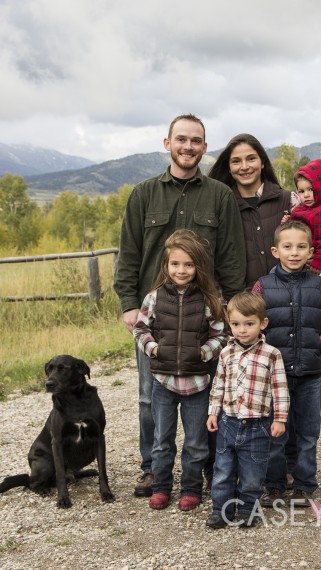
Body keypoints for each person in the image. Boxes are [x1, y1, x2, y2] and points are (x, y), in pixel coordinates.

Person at [114, 114, 246, 497]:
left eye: (196, 141)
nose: (188, 146)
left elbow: (231, 257)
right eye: (181, 139)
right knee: (148, 396)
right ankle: (151, 471)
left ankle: (201, 468)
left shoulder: (220, 196)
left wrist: (231, 312)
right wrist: (128, 305)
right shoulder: (143, 194)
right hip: (155, 318)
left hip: (205, 319)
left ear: (205, 148)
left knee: (205, 395)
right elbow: (129, 255)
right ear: (167, 143)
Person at [133, 230, 228, 511]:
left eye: (188, 264)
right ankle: (161, 486)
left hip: (198, 383)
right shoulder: (154, 298)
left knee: (196, 442)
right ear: (166, 266)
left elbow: (221, 335)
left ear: (197, 267)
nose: (181, 270)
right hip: (162, 381)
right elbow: (140, 328)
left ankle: (190, 487)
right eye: (175, 264)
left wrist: (204, 352)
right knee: (162, 440)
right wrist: (153, 349)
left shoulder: (209, 299)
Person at [252, 220, 321, 507]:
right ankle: (275, 484)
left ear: (311, 251)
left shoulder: (320, 286)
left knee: (307, 432)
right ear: (275, 251)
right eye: (288, 247)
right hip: (274, 378)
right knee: (276, 432)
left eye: (301, 247)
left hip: (309, 375)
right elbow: (253, 325)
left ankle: (304, 485)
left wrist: (319, 344)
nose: (294, 252)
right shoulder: (263, 286)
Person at [205, 291, 289, 529]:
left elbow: (280, 389)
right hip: (228, 423)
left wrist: (280, 419)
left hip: (258, 425)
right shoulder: (225, 353)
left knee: (253, 474)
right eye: (236, 324)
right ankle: (221, 511)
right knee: (222, 472)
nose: (242, 330)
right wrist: (213, 412)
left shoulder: (271, 355)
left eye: (249, 324)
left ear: (263, 323)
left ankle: (247, 511)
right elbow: (218, 384)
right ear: (229, 323)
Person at [208, 133, 300, 288]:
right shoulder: (219, 206)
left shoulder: (290, 201)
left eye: (251, 158)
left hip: (289, 299)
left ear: (262, 162)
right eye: (236, 161)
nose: (244, 167)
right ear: (229, 168)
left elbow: (314, 246)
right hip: (242, 305)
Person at [281, 158, 321, 275]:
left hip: (307, 262)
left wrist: (318, 262)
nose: (306, 195)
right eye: (301, 191)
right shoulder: (302, 208)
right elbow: (295, 228)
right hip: (294, 254)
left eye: (311, 189)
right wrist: (287, 223)